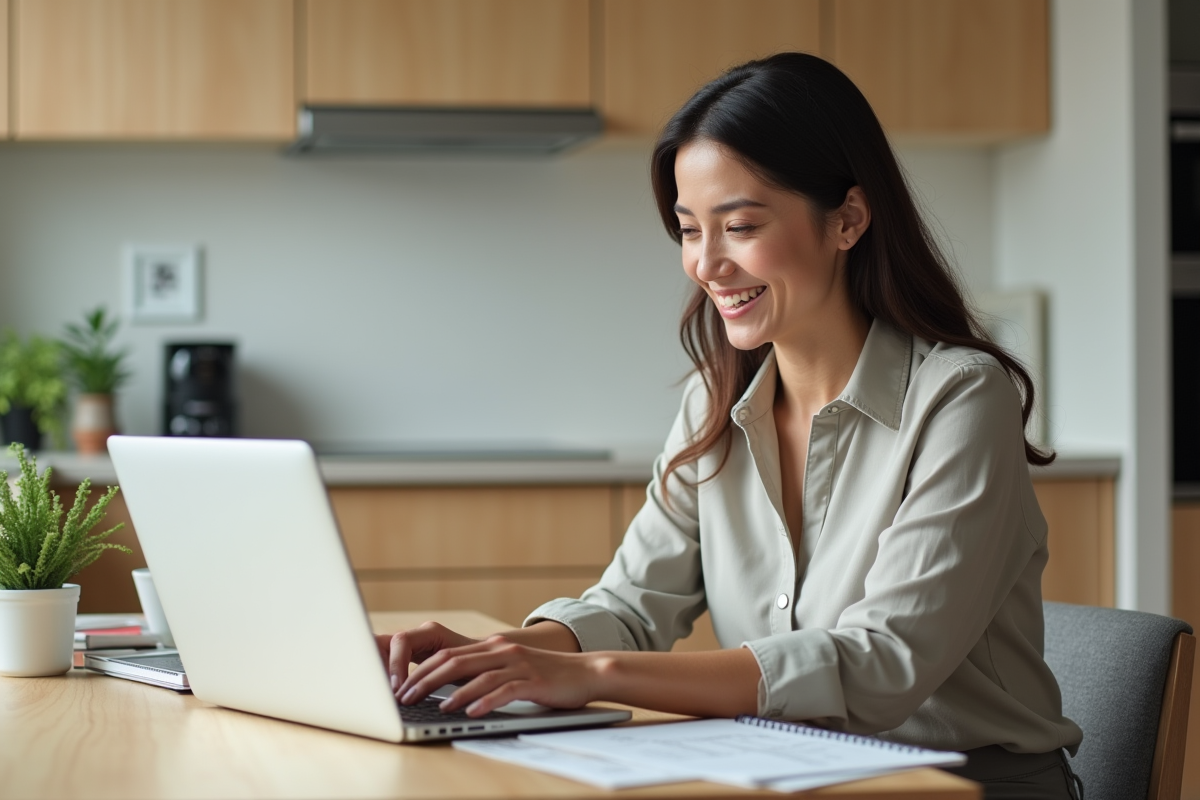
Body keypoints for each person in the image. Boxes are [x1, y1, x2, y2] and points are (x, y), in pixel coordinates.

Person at [379, 53, 1083, 799]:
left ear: (847, 219)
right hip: (792, 776)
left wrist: (590, 676)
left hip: (959, 786)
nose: (707, 265)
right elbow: (631, 606)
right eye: (688, 231)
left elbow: (883, 662)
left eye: (740, 226)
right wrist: (494, 655)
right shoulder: (716, 403)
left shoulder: (961, 399)